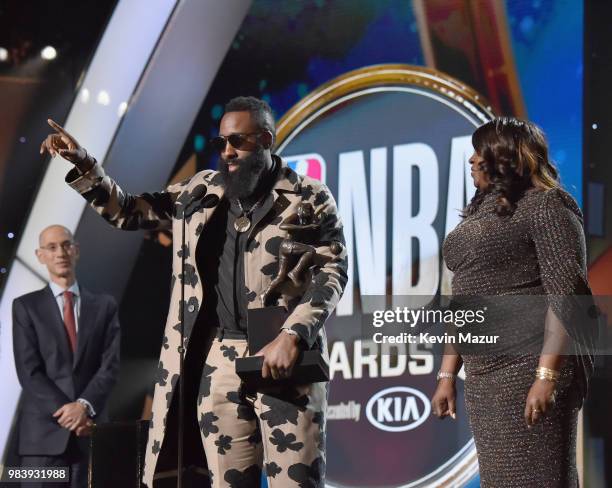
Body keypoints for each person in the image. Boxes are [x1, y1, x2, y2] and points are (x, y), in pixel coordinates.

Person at [40, 96, 348, 488]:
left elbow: (333, 269)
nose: (227, 152)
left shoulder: (307, 196)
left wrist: (293, 334)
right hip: (218, 362)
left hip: (282, 359)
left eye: (237, 141)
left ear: (266, 140)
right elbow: (129, 211)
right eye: (221, 143)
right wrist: (85, 164)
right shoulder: (200, 192)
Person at [431, 117, 595, 487]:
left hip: (530, 365)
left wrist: (546, 376)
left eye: (481, 153)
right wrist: (446, 375)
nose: (472, 161)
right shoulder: (476, 216)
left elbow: (565, 295)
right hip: (484, 376)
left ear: (506, 158)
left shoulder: (547, 205)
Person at [12, 225, 121, 487]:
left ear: (76, 250)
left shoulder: (104, 305)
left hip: (90, 434)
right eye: (51, 247)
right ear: (40, 255)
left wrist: (83, 407)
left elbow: (110, 366)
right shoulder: (25, 306)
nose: (60, 252)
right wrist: (69, 414)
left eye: (66, 244)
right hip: (41, 442)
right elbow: (29, 372)